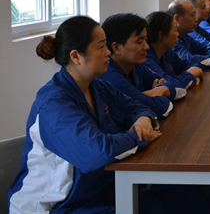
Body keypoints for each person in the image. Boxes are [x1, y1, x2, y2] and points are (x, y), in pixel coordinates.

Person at [7, 16, 161, 213]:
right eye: (101, 46)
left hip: (92, 195)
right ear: (76, 56)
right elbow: (98, 151)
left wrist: (143, 120)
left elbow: (136, 106)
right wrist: (139, 137)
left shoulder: (98, 87)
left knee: (169, 199)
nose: (108, 52)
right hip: (54, 206)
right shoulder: (54, 104)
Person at [98, 13, 196, 120]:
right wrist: (162, 93)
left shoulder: (135, 66)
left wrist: (162, 90)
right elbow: (160, 109)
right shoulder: (112, 78)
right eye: (139, 41)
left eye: (145, 39)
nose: (146, 47)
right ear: (116, 48)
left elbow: (177, 85)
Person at [144, 11, 204, 85]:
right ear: (162, 35)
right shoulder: (146, 59)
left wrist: (193, 75)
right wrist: (191, 76)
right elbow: (169, 84)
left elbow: (191, 64)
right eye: (175, 30)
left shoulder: (167, 52)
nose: (177, 34)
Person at [167, 0, 210, 69]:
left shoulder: (185, 36)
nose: (196, 19)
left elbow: (203, 47)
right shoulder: (171, 40)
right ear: (177, 19)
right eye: (192, 15)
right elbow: (188, 60)